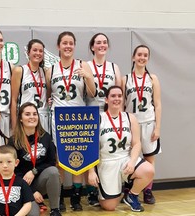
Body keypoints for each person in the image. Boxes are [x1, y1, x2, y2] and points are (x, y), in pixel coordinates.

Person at [45, 31, 96, 211]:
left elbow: (92, 93)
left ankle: (75, 196)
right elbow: (49, 94)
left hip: (78, 117)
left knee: (78, 159)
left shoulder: (83, 65)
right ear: (58, 46)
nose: (68, 46)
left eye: (71, 43)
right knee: (60, 160)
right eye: (64, 43)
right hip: (59, 118)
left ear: (74, 46)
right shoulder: (51, 70)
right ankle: (58, 196)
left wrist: (88, 77)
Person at [88, 85, 154, 212]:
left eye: (119, 96)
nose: (117, 99)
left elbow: (136, 143)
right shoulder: (99, 118)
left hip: (125, 159)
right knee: (109, 207)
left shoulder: (130, 118)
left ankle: (132, 195)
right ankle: (102, 190)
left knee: (149, 170)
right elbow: (91, 147)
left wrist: (132, 161)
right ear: (106, 100)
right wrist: (91, 171)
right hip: (106, 162)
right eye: (113, 96)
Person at [85, 33, 122, 206]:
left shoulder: (114, 67)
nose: (102, 45)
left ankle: (109, 188)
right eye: (98, 42)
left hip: (109, 113)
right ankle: (91, 190)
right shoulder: (86, 66)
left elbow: (119, 94)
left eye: (104, 42)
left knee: (107, 151)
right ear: (92, 47)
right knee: (92, 152)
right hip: (91, 112)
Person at [122, 45, 162, 204]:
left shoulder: (153, 78)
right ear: (133, 57)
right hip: (131, 124)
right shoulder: (125, 79)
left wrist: (158, 127)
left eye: (145, 55)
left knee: (149, 158)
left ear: (148, 58)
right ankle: (128, 187)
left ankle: (147, 190)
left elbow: (157, 104)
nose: (142, 57)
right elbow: (122, 103)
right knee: (128, 157)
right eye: (139, 54)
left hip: (148, 122)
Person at [8, 102, 61, 216]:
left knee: (53, 172)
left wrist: (34, 171)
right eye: (27, 114)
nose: (32, 117)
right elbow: (13, 172)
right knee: (33, 214)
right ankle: (29, 202)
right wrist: (31, 191)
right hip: (21, 185)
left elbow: (51, 162)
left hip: (39, 181)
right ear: (21, 119)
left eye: (34, 114)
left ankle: (55, 210)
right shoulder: (14, 141)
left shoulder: (45, 137)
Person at [0, 145, 34, 216]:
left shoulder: (22, 183)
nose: (5, 165)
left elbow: (27, 203)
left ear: (16, 162)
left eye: (9, 161)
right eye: (0, 162)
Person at [11, 39, 49, 133]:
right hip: (27, 117)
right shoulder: (20, 70)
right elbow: (14, 100)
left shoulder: (46, 72)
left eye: (41, 51)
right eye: (35, 50)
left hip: (43, 117)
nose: (38, 53)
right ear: (28, 52)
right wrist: (15, 125)